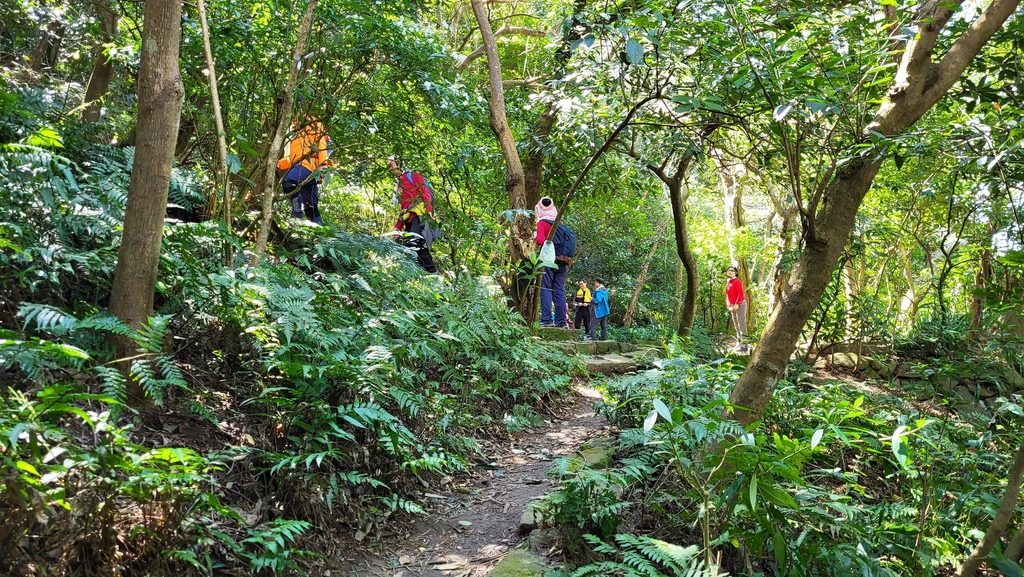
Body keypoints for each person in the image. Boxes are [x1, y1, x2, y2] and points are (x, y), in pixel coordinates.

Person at [388, 156, 438, 274]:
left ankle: (434, 274)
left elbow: (425, 193)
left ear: (399, 163)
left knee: (415, 243)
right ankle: (423, 276)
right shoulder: (398, 185)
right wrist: (397, 227)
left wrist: (429, 212)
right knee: (410, 248)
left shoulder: (413, 175)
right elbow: (403, 208)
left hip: (420, 215)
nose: (389, 167)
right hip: (408, 219)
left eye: (391, 163)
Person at [277, 119, 331, 224]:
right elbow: (293, 155)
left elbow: (322, 144)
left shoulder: (314, 123)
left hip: (310, 166)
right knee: (311, 208)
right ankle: (320, 235)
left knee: (288, 180)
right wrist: (281, 164)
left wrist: (323, 165)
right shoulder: (292, 127)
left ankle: (296, 214)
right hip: (299, 166)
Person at [535, 197, 568, 327]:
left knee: (546, 287)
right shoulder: (560, 224)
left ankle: (547, 319)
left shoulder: (542, 222)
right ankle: (561, 321)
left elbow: (540, 240)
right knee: (559, 289)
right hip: (562, 259)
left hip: (549, 259)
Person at [725, 266, 748, 352]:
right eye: (729, 270)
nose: (730, 272)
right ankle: (739, 344)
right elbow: (727, 294)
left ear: (735, 273)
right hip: (732, 305)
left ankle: (744, 346)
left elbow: (741, 294)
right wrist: (728, 304)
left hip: (740, 304)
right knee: (736, 325)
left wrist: (737, 304)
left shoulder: (737, 281)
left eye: (732, 271)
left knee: (742, 324)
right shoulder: (728, 281)